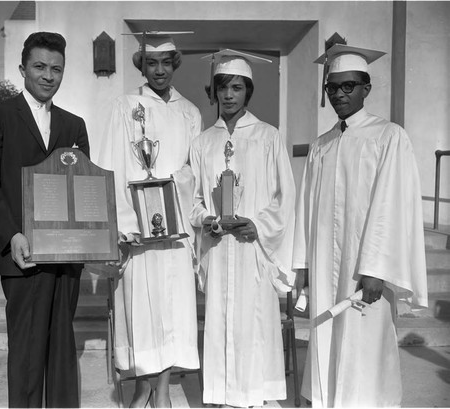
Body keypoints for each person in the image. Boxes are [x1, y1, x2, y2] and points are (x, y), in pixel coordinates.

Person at [293, 41, 428, 407]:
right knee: (329, 343)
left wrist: (375, 269)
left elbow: (390, 206)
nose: (339, 93)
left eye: (348, 86)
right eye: (332, 87)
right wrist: (302, 264)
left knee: (365, 347)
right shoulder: (322, 145)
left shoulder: (388, 136)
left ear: (366, 88)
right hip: (325, 269)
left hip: (364, 271)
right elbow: (305, 209)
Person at [0, 32, 90, 408]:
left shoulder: (74, 124)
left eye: (56, 68)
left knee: (61, 348)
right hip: (22, 254)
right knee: (25, 352)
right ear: (23, 68)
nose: (48, 75)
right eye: (40, 66)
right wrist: (11, 235)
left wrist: (91, 239)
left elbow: (85, 189)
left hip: (66, 256)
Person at [97, 32, 202, 408]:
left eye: (166, 63)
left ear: (175, 64)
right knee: (141, 311)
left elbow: (194, 169)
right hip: (137, 230)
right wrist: (125, 222)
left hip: (173, 228)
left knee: (171, 310)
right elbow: (110, 164)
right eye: (151, 63)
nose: (159, 70)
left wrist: (174, 187)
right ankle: (143, 387)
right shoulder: (124, 106)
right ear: (142, 65)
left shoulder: (190, 112)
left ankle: (162, 389)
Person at [189, 50, 296, 407]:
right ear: (215, 92)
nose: (229, 95)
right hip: (219, 250)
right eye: (223, 88)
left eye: (237, 88)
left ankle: (255, 396)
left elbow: (285, 195)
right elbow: (192, 198)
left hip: (253, 248)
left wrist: (259, 225)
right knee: (220, 320)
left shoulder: (268, 136)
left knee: (255, 323)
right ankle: (221, 396)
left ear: (247, 92)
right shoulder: (203, 142)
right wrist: (206, 220)